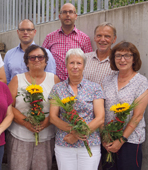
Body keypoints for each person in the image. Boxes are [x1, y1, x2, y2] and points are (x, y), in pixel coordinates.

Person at [49, 48, 105, 170]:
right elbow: (53, 118)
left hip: (90, 143)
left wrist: (79, 133)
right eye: (71, 63)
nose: (75, 66)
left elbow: (100, 118)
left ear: (84, 66)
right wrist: (74, 132)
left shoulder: (95, 88)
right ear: (66, 65)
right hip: (65, 143)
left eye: (79, 63)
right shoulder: (57, 88)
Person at [7, 45, 60, 170]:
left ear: (46, 61)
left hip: (46, 135)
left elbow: (58, 106)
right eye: (32, 57)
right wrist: (26, 123)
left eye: (40, 57)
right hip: (20, 135)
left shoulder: (54, 79)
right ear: (26, 62)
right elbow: (10, 106)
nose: (37, 60)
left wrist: (46, 122)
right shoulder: (17, 80)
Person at [102, 41, 148, 170]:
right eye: (118, 56)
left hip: (130, 140)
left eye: (127, 55)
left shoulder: (141, 82)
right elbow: (101, 109)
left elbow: (137, 116)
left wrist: (121, 140)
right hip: (108, 139)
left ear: (134, 59)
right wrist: (104, 138)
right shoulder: (107, 80)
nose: (122, 59)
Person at [42, 3, 92, 81]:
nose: (67, 15)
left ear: (75, 16)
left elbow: (89, 63)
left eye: (71, 12)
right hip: (54, 84)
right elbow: (42, 60)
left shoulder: (84, 38)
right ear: (59, 16)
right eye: (64, 12)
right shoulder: (50, 37)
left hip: (77, 85)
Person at [4, 19, 56, 84]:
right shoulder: (9, 55)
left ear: (34, 32)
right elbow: (6, 80)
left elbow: (50, 78)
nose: (25, 32)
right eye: (22, 30)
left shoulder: (45, 53)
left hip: (39, 92)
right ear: (18, 32)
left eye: (29, 30)